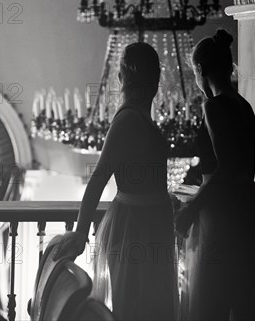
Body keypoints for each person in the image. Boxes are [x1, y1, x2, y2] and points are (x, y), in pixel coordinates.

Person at [56, 42, 178, 321]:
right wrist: (80, 231)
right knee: (136, 307)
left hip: (151, 222)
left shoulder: (139, 115)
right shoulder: (127, 120)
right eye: (155, 76)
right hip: (136, 227)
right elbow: (98, 179)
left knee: (152, 304)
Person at [175, 29, 255, 320]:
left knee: (214, 298)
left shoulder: (214, 105)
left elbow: (226, 167)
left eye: (194, 71)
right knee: (246, 297)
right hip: (249, 205)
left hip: (224, 212)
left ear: (201, 69)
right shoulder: (243, 104)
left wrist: (191, 208)